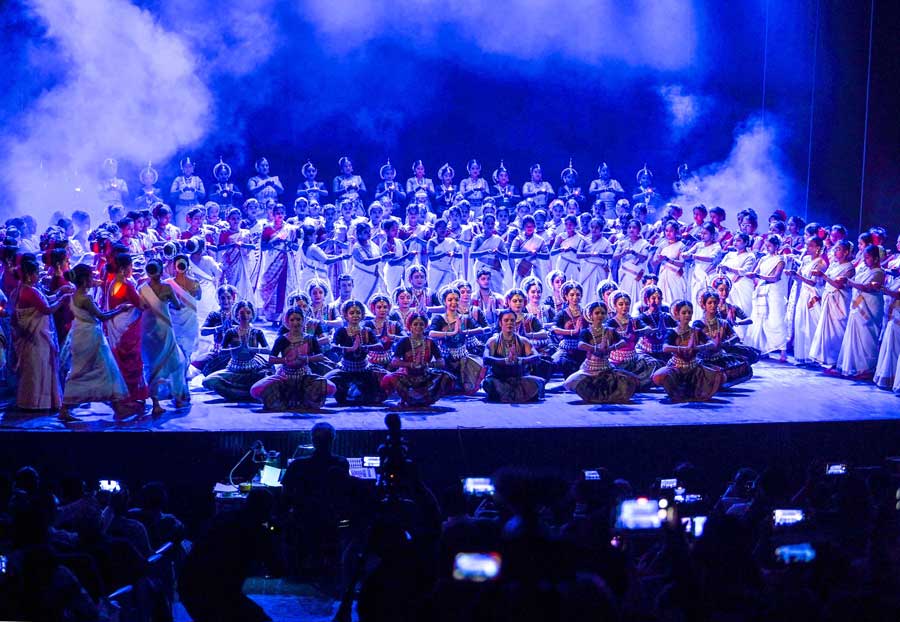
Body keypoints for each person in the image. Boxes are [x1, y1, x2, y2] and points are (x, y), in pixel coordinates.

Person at [179, 489, 277, 622]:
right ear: (265, 510)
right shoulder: (256, 531)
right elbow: (277, 567)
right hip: (213, 592)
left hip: (190, 585)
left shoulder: (224, 517)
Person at [59, 265, 131, 422]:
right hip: (89, 336)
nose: (93, 279)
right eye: (91, 277)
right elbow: (102, 316)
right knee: (86, 370)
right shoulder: (85, 298)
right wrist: (120, 309)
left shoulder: (75, 294)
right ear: (85, 280)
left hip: (82, 333)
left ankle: (116, 404)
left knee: (105, 368)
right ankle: (65, 407)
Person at [11, 257, 73, 410]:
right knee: (38, 367)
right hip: (36, 337)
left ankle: (34, 401)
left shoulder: (26, 288)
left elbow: (46, 300)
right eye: (36, 273)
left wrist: (59, 292)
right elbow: (47, 309)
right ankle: (35, 403)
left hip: (37, 335)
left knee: (38, 366)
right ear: (28, 275)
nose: (38, 276)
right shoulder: (29, 291)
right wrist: (63, 299)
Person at [563, 301, 639, 403]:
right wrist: (596, 349)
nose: (600, 315)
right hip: (589, 368)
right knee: (571, 382)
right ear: (591, 315)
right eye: (597, 313)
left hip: (606, 367)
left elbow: (623, 342)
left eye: (603, 313)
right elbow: (581, 345)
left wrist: (611, 348)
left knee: (632, 380)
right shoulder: (586, 331)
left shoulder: (610, 330)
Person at [139, 259, 188, 416]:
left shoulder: (142, 289)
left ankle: (155, 403)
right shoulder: (166, 288)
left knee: (152, 366)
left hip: (147, 332)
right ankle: (178, 397)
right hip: (164, 330)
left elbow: (140, 307)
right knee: (175, 364)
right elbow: (177, 305)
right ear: (160, 272)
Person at [652, 300, 725, 403]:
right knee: (658, 376)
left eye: (689, 312)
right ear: (677, 314)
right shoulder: (672, 331)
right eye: (684, 313)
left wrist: (698, 347)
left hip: (694, 367)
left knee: (721, 377)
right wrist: (683, 348)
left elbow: (712, 344)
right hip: (676, 367)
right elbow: (665, 347)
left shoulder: (696, 331)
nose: (687, 315)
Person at [832, 244, 885, 379]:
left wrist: (848, 281)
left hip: (869, 309)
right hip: (857, 307)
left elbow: (867, 288)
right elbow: (855, 283)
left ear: (875, 258)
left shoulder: (879, 272)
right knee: (854, 337)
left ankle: (867, 369)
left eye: (867, 257)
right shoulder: (865, 271)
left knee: (867, 338)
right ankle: (853, 367)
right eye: (864, 257)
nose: (865, 260)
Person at [105, 254, 149, 416]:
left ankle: (123, 397)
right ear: (124, 269)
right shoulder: (127, 285)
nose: (132, 270)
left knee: (120, 362)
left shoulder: (111, 284)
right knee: (132, 362)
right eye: (130, 267)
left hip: (116, 328)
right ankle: (129, 397)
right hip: (128, 329)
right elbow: (141, 305)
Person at [381, 312, 454, 407]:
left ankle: (426, 398)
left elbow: (441, 361)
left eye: (421, 324)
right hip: (407, 376)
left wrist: (428, 365)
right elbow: (394, 361)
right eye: (415, 324)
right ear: (410, 326)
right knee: (389, 378)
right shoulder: (404, 341)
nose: (418, 327)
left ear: (425, 326)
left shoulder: (430, 342)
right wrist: (410, 364)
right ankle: (406, 398)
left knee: (447, 377)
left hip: (425, 375)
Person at [203, 301, 271, 402]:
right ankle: (246, 395)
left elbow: (269, 350)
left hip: (252, 369)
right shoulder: (231, 332)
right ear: (237, 315)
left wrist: (253, 349)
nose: (245, 315)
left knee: (269, 381)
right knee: (208, 381)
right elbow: (222, 351)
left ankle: (242, 394)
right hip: (233, 369)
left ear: (252, 315)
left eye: (248, 312)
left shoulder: (257, 332)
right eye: (242, 313)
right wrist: (236, 349)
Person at [325, 300, 388, 405]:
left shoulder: (367, 330)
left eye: (358, 313)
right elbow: (333, 347)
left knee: (383, 387)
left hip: (364, 368)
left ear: (363, 315)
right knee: (328, 386)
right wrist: (351, 349)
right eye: (351, 313)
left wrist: (364, 347)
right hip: (346, 368)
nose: (355, 315)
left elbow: (379, 346)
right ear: (345, 315)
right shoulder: (341, 331)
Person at [428, 286, 486, 395]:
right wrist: (451, 333)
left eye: (456, 299)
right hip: (445, 356)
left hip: (462, 356)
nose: (453, 302)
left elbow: (480, 330)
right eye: (450, 300)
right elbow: (431, 333)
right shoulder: (439, 318)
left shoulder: (464, 318)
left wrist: (465, 332)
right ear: (444, 302)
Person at [808, 240, 855, 369]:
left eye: (838, 249)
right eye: (835, 249)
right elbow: (827, 280)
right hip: (829, 299)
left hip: (839, 302)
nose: (835, 251)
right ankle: (826, 360)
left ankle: (836, 361)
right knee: (826, 330)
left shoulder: (849, 267)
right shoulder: (834, 265)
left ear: (846, 252)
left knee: (837, 330)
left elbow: (839, 285)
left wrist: (822, 275)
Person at [482, 309, 545, 402]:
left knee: (538, 382)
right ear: (500, 323)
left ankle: (507, 396)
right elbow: (486, 359)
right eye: (506, 320)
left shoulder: (523, 341)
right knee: (488, 383)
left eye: (512, 320)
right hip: (499, 379)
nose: (509, 323)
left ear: (515, 323)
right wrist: (505, 361)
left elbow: (536, 357)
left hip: (519, 378)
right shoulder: (493, 341)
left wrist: (520, 360)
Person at [744, 235, 788, 361]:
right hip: (762, 290)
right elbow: (754, 272)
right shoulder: (763, 259)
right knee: (759, 319)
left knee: (776, 319)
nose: (767, 247)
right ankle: (762, 349)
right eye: (766, 245)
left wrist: (758, 276)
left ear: (776, 246)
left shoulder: (780, 260)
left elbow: (776, 277)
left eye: (770, 245)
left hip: (774, 291)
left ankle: (783, 351)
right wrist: (749, 274)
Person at [606, 290, 661, 390]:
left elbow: (648, 329)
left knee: (654, 363)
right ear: (615, 306)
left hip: (633, 358)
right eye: (620, 304)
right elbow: (606, 335)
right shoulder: (611, 322)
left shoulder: (634, 320)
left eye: (627, 304)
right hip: (617, 361)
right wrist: (623, 334)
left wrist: (635, 333)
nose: (624, 307)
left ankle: (636, 384)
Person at [697, 290, 753, 387]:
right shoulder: (699, 324)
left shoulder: (723, 323)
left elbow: (736, 337)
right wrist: (709, 345)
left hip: (719, 357)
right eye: (709, 303)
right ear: (703, 305)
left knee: (744, 367)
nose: (713, 305)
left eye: (715, 303)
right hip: (703, 358)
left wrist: (725, 343)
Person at [785, 237, 827, 365]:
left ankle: (812, 356)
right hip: (802, 293)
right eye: (807, 245)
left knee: (811, 324)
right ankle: (802, 355)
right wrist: (793, 274)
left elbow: (813, 282)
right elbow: (799, 274)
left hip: (812, 295)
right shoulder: (806, 259)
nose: (807, 248)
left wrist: (797, 276)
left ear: (818, 248)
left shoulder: (821, 263)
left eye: (810, 246)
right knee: (801, 323)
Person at [258, 203, 299, 324]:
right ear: (273, 214)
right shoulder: (267, 228)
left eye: (282, 213)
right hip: (272, 261)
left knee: (285, 287)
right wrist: (275, 241)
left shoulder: (291, 229)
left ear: (285, 214)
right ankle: (272, 317)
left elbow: (296, 247)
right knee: (270, 287)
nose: (280, 215)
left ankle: (284, 317)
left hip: (286, 260)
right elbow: (263, 247)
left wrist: (289, 243)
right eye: (277, 213)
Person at [716, 233, 757, 339]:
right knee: (726, 309)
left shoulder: (750, 256)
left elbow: (745, 271)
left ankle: (742, 338)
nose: (735, 243)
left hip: (742, 285)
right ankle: (727, 335)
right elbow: (721, 266)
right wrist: (721, 269)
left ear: (746, 242)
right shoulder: (730, 254)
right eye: (734, 240)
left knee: (741, 309)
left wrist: (729, 269)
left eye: (738, 241)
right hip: (728, 285)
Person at [217, 208, 255, 302]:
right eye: (233, 218)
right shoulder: (225, 232)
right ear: (228, 220)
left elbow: (252, 246)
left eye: (238, 218)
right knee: (231, 284)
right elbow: (219, 248)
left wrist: (243, 245)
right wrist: (233, 245)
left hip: (243, 261)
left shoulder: (246, 232)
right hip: (230, 262)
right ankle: (231, 303)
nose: (236, 221)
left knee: (243, 284)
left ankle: (242, 303)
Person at [613, 219, 651, 307]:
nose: (631, 229)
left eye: (634, 227)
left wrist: (634, 252)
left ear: (639, 230)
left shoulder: (644, 243)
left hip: (637, 274)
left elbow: (644, 257)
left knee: (638, 296)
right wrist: (624, 253)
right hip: (625, 274)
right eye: (629, 227)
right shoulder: (622, 243)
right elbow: (615, 257)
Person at [636, 285, 676, 363]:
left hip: (664, 351)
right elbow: (644, 330)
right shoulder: (642, 317)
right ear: (647, 300)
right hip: (647, 353)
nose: (657, 301)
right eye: (653, 298)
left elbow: (678, 329)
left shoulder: (667, 316)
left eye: (659, 298)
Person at [653, 220, 688, 307]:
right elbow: (654, 261)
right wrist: (658, 259)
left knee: (675, 301)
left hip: (675, 277)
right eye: (666, 231)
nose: (668, 233)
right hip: (663, 276)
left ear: (676, 232)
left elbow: (682, 263)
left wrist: (668, 259)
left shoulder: (681, 245)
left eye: (671, 231)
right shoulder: (662, 245)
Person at [350, 221, 386, 302]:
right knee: (361, 301)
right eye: (365, 232)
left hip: (374, 277)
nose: (369, 234)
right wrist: (382, 258)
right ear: (359, 234)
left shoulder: (372, 244)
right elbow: (366, 262)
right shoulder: (357, 247)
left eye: (369, 231)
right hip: (361, 278)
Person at [169, 156, 205, 228]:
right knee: (181, 229)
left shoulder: (197, 179)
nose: (188, 169)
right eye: (185, 167)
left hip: (194, 207)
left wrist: (195, 190)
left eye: (190, 166)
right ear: (182, 168)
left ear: (193, 168)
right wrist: (181, 190)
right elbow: (172, 194)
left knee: (194, 228)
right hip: (181, 208)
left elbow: (203, 194)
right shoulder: (178, 179)